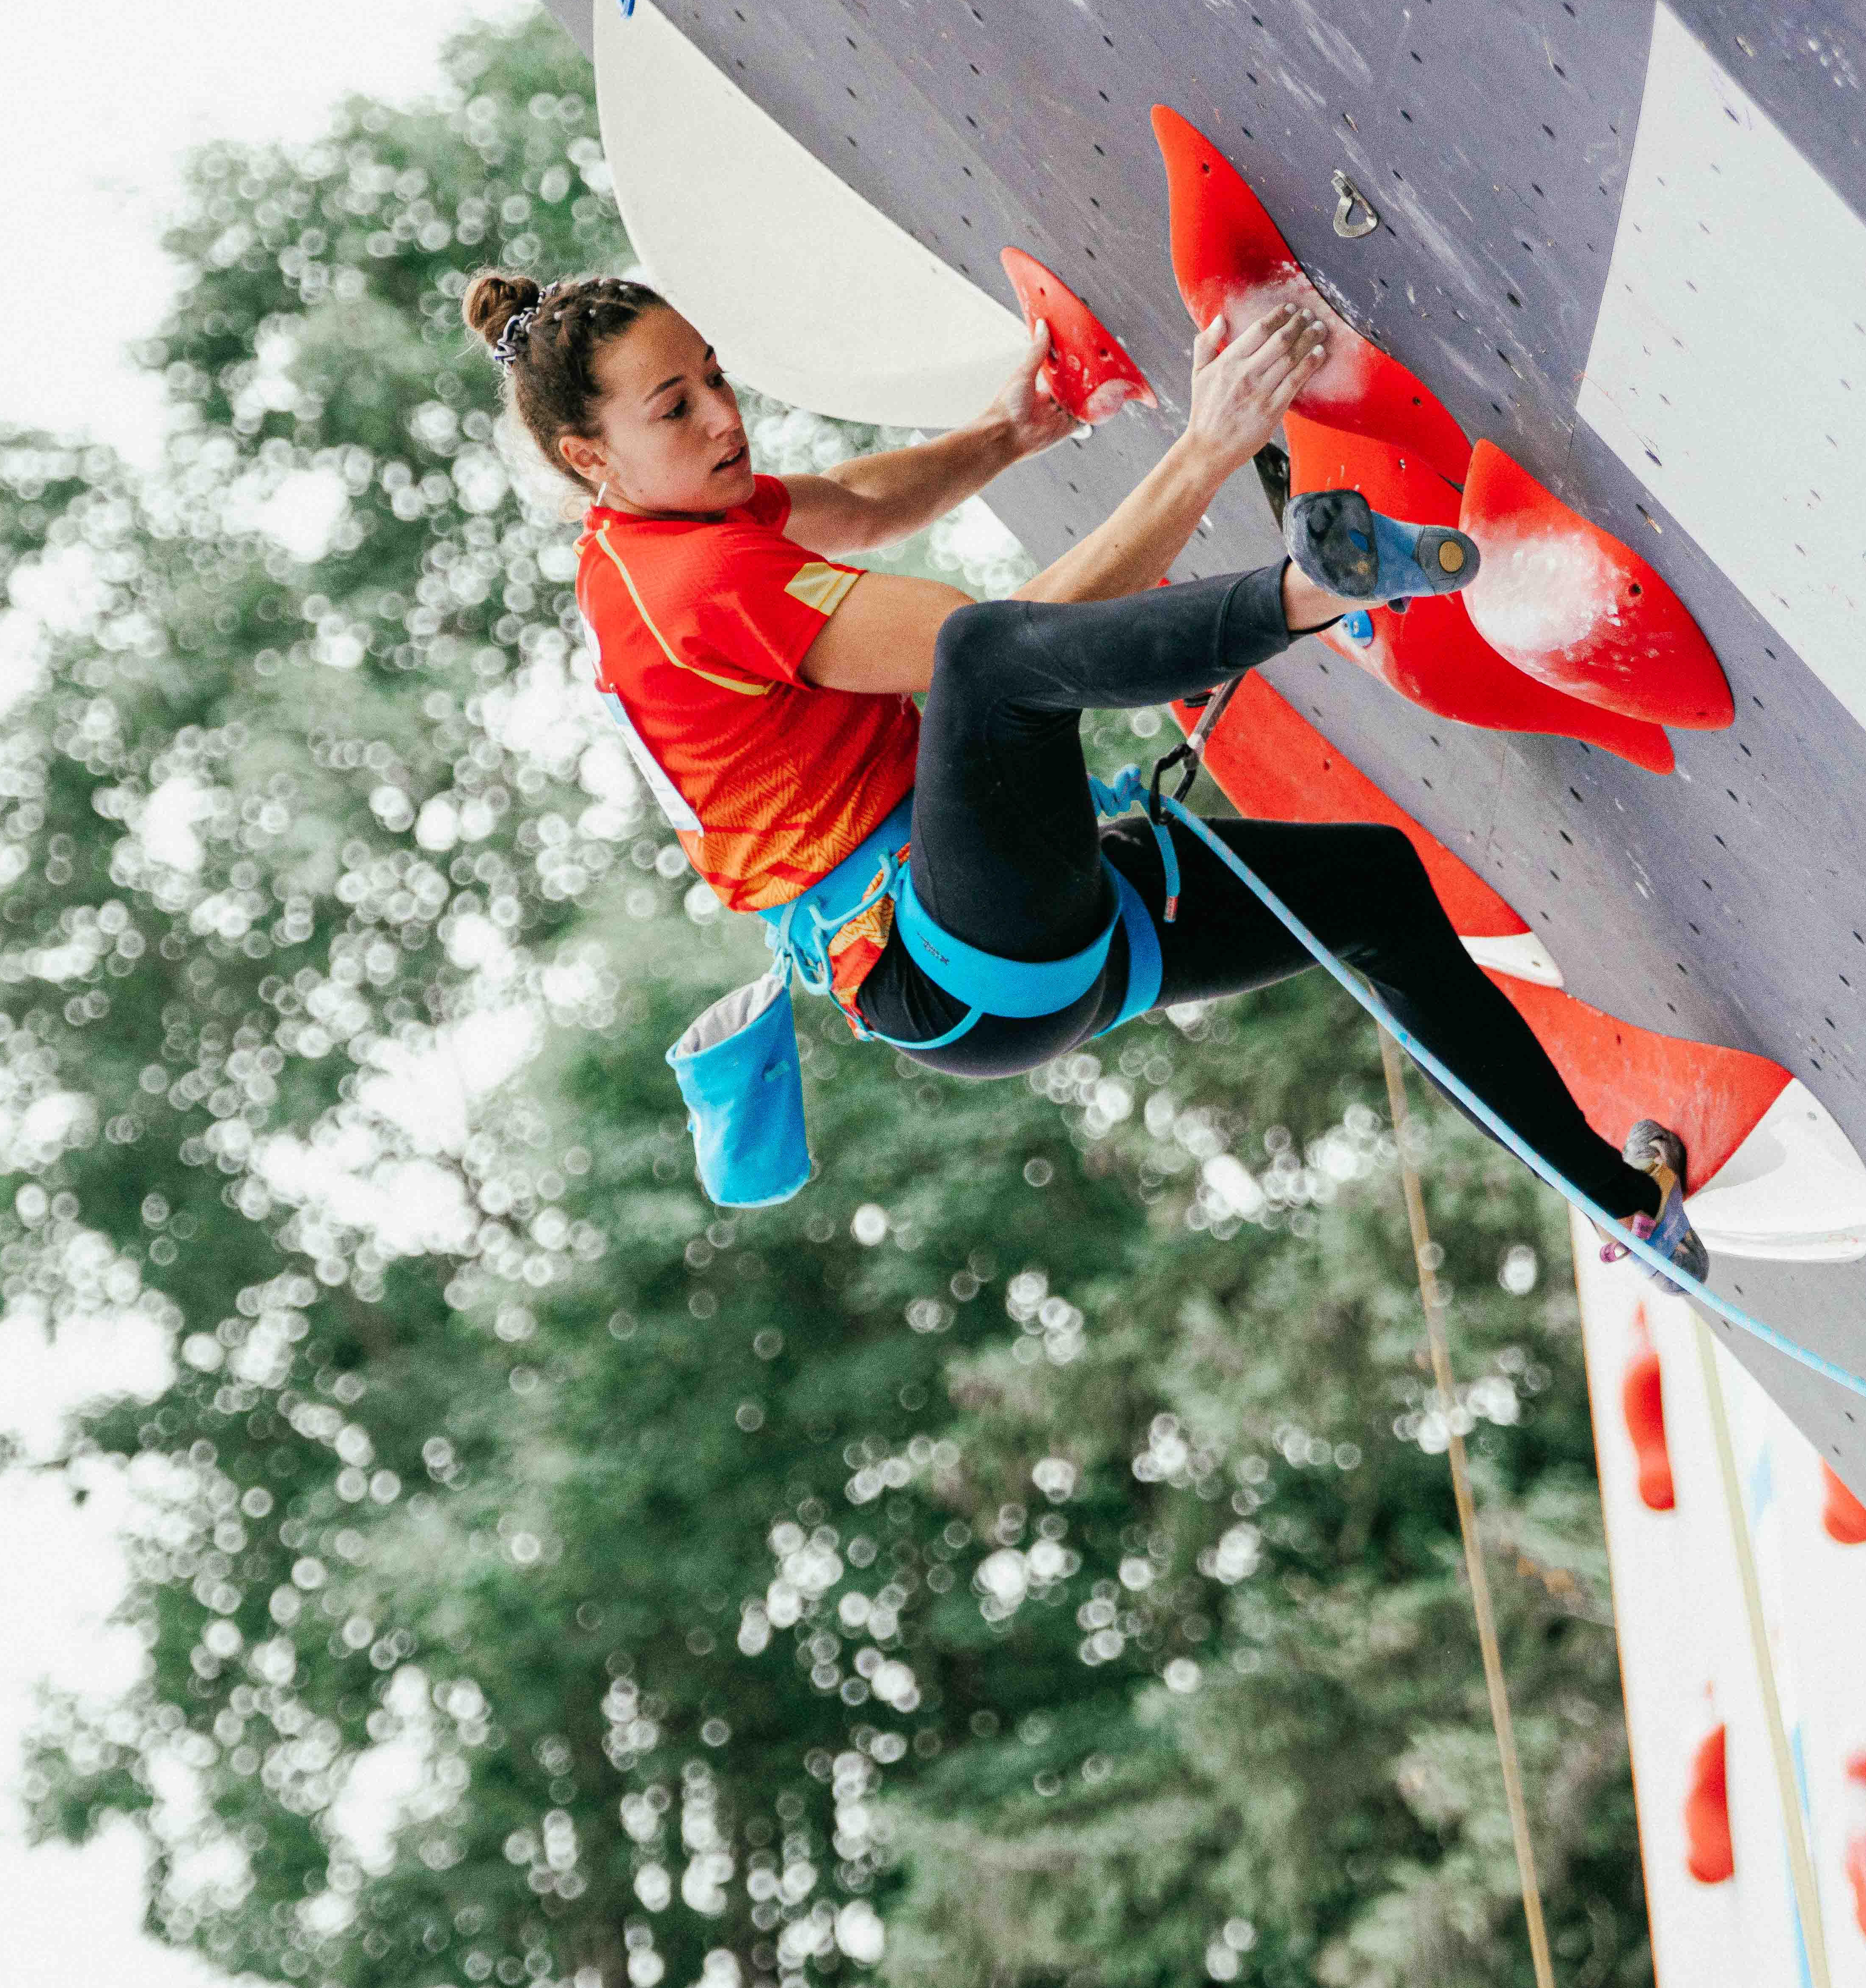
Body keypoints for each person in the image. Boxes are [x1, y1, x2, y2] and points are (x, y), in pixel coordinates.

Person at [465, 267, 1703, 1276]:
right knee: (984, 656)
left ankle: (1632, 1213)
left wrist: (1018, 428)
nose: (724, 417)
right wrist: (1208, 447)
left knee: (1373, 891)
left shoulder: (653, 532)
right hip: (949, 960)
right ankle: (1318, 589)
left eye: (715, 376)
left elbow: (850, 502)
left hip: (1007, 938)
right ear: (590, 456)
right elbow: (1010, 649)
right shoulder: (696, 586)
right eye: (674, 408)